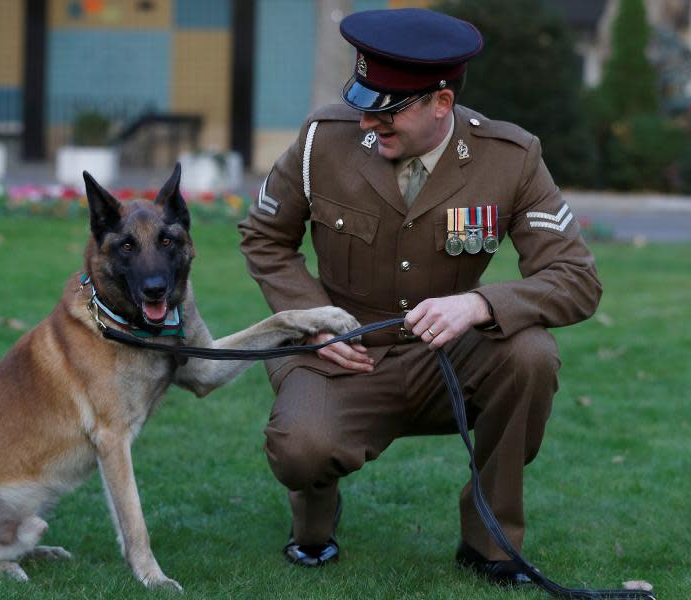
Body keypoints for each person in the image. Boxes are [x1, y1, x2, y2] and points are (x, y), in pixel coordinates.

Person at [238, 8, 601, 586]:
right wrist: (313, 323)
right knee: (302, 449)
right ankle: (315, 516)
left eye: (388, 111)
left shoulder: (510, 157)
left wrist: (480, 305)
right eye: (363, 104)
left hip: (452, 351)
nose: (366, 124)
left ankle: (491, 542)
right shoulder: (320, 142)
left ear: (441, 103)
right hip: (343, 347)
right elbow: (264, 237)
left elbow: (577, 278)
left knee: (530, 354)